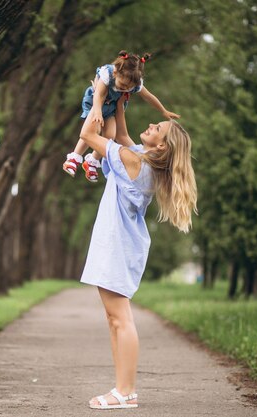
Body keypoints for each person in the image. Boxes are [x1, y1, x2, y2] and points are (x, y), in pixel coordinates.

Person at [78, 96, 197, 409]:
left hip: (117, 245)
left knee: (120, 319)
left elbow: (91, 136)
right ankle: (122, 388)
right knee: (114, 318)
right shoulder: (143, 158)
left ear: (160, 147)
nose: (151, 125)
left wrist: (99, 99)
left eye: (157, 127)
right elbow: (121, 138)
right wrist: (118, 103)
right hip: (119, 243)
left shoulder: (135, 162)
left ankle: (126, 391)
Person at [62, 50, 180, 183]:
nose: (124, 89)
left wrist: (163, 111)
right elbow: (99, 95)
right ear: (115, 73)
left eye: (128, 88)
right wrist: (97, 112)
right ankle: (74, 157)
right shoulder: (108, 73)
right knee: (93, 130)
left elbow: (149, 96)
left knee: (111, 135)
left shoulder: (135, 83)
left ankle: (92, 161)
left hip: (111, 107)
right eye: (122, 85)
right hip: (97, 103)